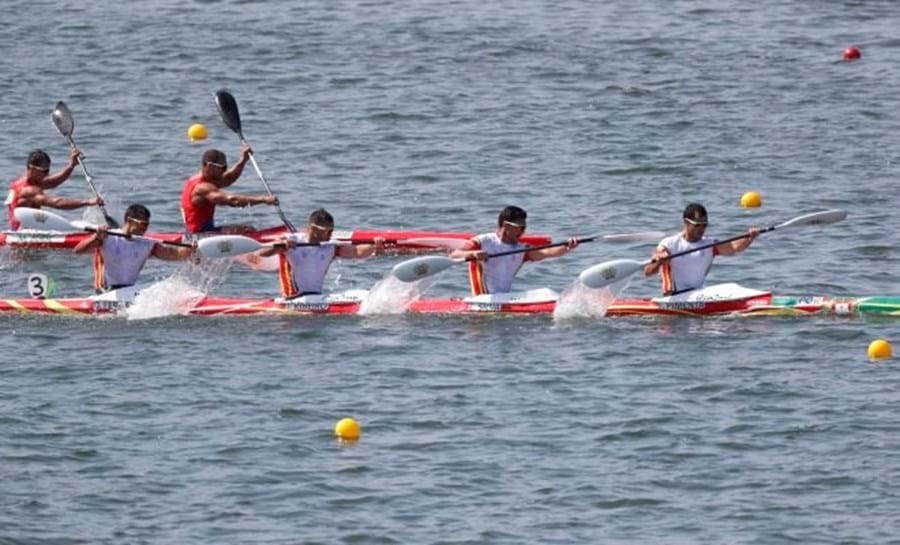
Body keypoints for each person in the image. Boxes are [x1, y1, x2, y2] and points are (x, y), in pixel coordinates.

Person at [449, 205, 579, 295]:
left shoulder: (521, 249)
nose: (522, 232)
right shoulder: (482, 241)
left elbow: (547, 252)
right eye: (520, 228)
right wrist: (473, 253)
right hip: (481, 300)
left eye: (524, 228)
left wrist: (567, 247)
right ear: (505, 226)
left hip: (504, 299)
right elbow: (454, 255)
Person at [260, 208, 383, 298]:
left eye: (332, 230)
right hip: (292, 300)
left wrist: (374, 246)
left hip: (316, 298)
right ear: (312, 229)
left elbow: (356, 252)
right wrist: (280, 246)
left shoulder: (329, 247)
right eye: (327, 231)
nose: (331, 235)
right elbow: (262, 253)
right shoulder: (292, 241)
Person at [74, 204, 195, 292]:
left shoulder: (146, 244)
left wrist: (191, 250)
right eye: (143, 224)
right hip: (104, 292)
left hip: (128, 291)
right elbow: (78, 250)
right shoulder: (107, 238)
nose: (145, 228)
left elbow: (174, 254)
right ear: (128, 220)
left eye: (147, 224)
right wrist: (96, 237)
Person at [644, 203, 759, 295]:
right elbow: (648, 272)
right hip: (674, 297)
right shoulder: (669, 244)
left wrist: (749, 238)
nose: (702, 229)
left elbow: (733, 247)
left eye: (705, 225)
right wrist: (658, 262)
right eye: (697, 225)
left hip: (698, 295)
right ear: (686, 222)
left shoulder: (709, 244)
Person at [180, 146, 279, 233]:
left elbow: (229, 178)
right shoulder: (202, 187)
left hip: (206, 231)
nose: (224, 171)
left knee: (247, 229)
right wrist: (263, 200)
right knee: (248, 231)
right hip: (199, 235)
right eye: (222, 168)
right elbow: (232, 200)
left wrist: (244, 159)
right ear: (209, 166)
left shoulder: (206, 179)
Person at [6, 148, 103, 230]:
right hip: (22, 239)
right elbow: (57, 203)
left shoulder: (22, 182)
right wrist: (88, 202)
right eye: (45, 171)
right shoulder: (29, 191)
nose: (47, 174)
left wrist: (72, 165)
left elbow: (52, 182)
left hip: (22, 232)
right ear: (32, 168)